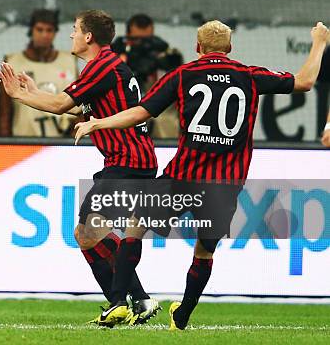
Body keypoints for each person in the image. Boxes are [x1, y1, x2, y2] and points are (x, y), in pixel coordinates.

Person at [74, 20, 329, 329]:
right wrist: (318, 42)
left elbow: (141, 112)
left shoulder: (183, 75)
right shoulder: (249, 75)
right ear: (230, 48)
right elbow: (303, 81)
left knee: (135, 226)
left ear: (197, 48)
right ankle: (182, 316)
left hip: (182, 176)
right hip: (225, 184)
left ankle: (117, 303)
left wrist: (98, 123)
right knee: (204, 251)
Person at [0, 10, 160, 325]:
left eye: (74, 30)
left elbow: (61, 104)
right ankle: (137, 300)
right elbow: (75, 106)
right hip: (128, 161)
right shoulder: (106, 67)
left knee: (89, 230)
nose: (70, 35)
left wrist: (18, 94)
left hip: (128, 162)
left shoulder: (101, 66)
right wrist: (32, 93)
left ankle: (121, 302)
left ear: (88, 37)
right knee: (86, 233)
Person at [0, 9, 79, 137]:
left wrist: (73, 141)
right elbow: (4, 113)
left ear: (55, 32)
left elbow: (79, 104)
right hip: (22, 141)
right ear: (31, 31)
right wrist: (3, 146)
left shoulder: (69, 61)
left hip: (60, 143)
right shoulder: (12, 62)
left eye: (49, 30)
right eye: (39, 29)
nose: (44, 35)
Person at [111, 14, 181, 139]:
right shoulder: (117, 51)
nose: (142, 44)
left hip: (158, 109)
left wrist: (162, 61)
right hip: (124, 107)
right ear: (128, 36)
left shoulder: (159, 50)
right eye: (137, 39)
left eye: (147, 39)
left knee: (167, 122)